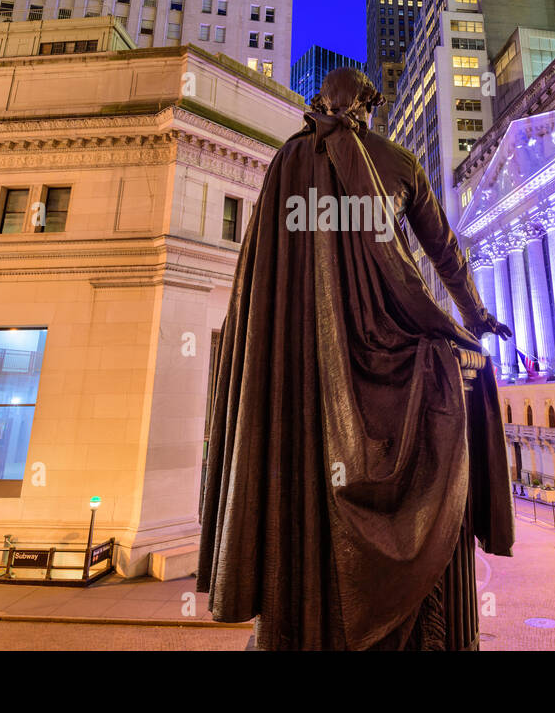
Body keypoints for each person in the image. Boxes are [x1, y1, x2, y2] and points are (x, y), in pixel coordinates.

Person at [197, 67, 514, 650]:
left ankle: (310, 613)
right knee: (459, 374)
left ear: (320, 102)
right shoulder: (398, 162)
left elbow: (260, 283)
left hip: (308, 366)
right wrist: (473, 318)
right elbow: (445, 251)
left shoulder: (287, 164)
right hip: (388, 349)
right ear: (369, 105)